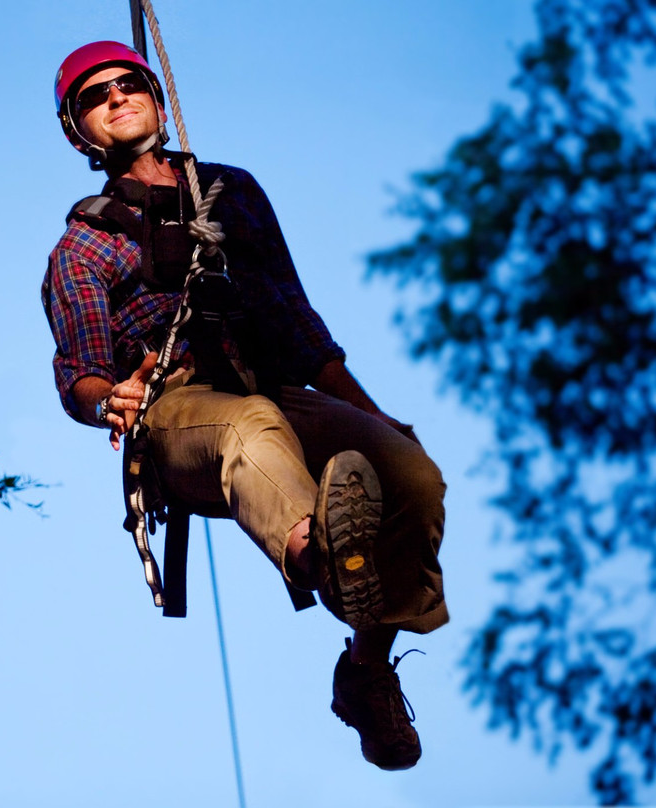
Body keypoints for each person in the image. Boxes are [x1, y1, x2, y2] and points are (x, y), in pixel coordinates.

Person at [41, 40, 448, 771]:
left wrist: (372, 412)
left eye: (127, 84)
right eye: (94, 97)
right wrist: (112, 400)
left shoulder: (231, 192)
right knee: (249, 429)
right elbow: (78, 372)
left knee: (407, 474)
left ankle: (365, 669)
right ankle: (322, 554)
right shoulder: (84, 246)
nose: (116, 98)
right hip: (181, 413)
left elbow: (295, 317)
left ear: (157, 99)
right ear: (79, 133)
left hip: (268, 384)